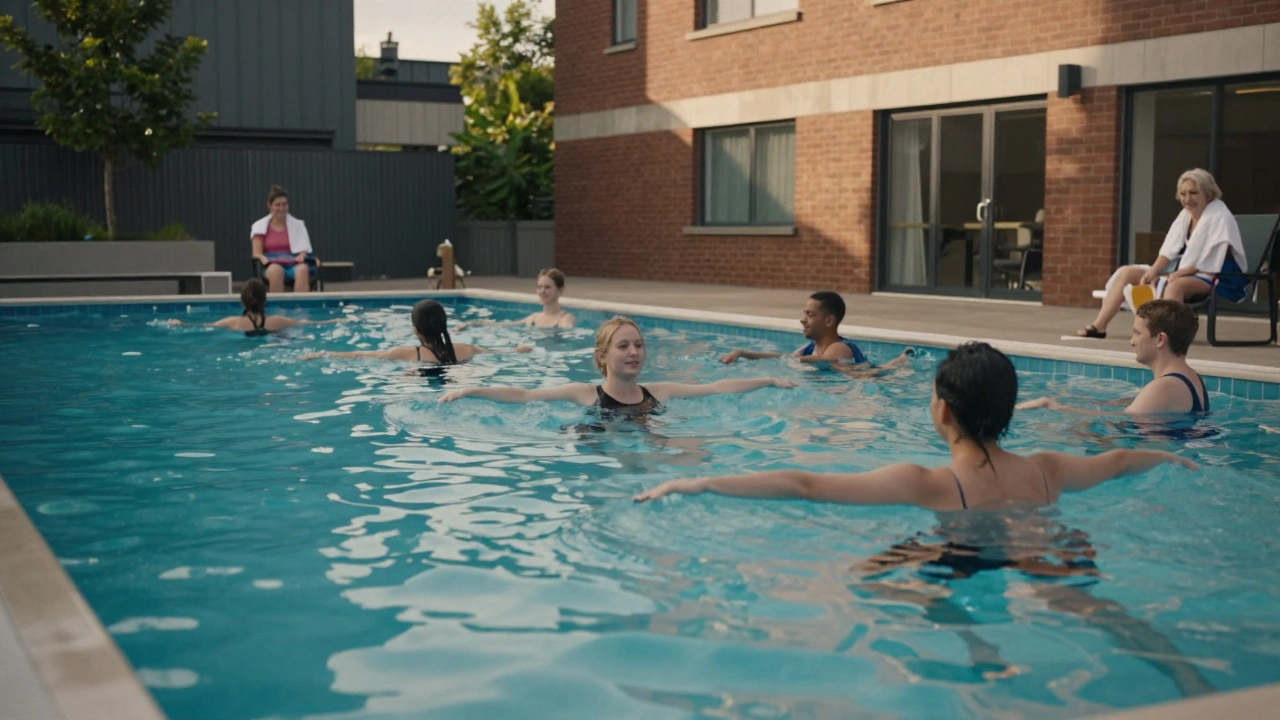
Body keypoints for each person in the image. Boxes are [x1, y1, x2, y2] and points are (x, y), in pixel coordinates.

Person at [634, 342, 1194, 507]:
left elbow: (805, 483)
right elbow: (1120, 461)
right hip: (1052, 549)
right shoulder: (1049, 470)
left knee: (870, 573)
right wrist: (1175, 458)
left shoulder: (928, 483)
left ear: (942, 411)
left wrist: (698, 481)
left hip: (962, 562)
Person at [439, 315, 796, 409]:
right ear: (602, 357)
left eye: (638, 345)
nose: (634, 352)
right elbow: (526, 396)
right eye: (623, 346)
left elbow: (717, 387)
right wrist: (473, 390)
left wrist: (768, 380)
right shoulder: (584, 394)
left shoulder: (658, 391)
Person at [1076, 168, 1248, 339]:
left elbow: (1212, 261)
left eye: (1193, 193)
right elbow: (1169, 248)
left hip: (1215, 276)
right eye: (1183, 193)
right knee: (1129, 272)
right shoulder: (1186, 215)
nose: (1187, 199)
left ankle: (1169, 337)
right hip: (1187, 272)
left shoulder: (1220, 216)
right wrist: (1154, 271)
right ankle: (1099, 327)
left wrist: (1175, 275)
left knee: (1175, 286)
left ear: (1208, 193)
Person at [1022, 300, 1210, 415]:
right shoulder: (1192, 377)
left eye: (1137, 333)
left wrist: (1054, 407)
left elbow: (1120, 421)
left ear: (1160, 339)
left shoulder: (1163, 387)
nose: (1131, 341)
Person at [720, 291, 913, 376]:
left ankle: (900, 362)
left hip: (870, 380)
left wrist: (796, 361)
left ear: (829, 321)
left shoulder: (839, 348)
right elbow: (784, 357)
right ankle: (898, 361)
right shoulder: (811, 347)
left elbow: (825, 360)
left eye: (810, 315)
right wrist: (742, 353)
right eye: (804, 314)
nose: (803, 320)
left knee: (885, 371)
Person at [300, 299, 530, 363]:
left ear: (415, 330)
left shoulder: (408, 354)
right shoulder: (466, 349)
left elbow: (364, 355)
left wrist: (324, 354)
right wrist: (517, 350)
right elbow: (499, 353)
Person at [166, 279, 345, 335]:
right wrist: (334, 320)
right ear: (265, 301)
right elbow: (306, 323)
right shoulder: (277, 322)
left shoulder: (233, 323)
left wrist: (180, 324)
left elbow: (203, 327)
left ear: (243, 302)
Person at [455, 268, 576, 330]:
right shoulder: (533, 318)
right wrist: (470, 323)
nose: (542, 291)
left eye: (547, 287)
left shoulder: (564, 319)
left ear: (560, 290)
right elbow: (502, 325)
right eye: (539, 287)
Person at [250, 185, 314, 294]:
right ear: (269, 206)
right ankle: (276, 309)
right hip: (270, 266)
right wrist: (263, 258)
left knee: (303, 269)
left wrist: (302, 255)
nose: (281, 208)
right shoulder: (259, 226)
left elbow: (304, 249)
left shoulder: (298, 225)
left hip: (292, 264)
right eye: (277, 205)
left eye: (284, 204)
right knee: (277, 271)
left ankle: (301, 309)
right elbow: (257, 253)